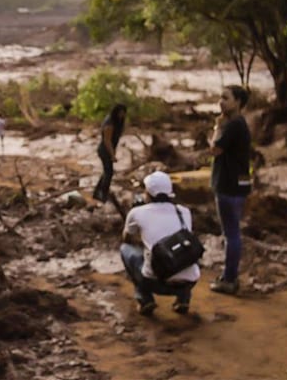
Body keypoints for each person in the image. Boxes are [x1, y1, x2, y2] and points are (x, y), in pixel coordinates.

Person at [120, 171, 200, 316]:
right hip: (189, 282)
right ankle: (183, 299)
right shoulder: (184, 212)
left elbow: (126, 238)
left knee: (125, 249)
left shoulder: (137, 212)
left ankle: (144, 297)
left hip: (155, 282)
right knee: (184, 251)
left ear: (148, 193)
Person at [208, 85, 252, 295]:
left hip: (227, 185)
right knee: (234, 232)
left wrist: (217, 126)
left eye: (225, 98)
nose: (221, 101)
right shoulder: (241, 124)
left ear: (238, 103)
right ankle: (230, 276)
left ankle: (229, 279)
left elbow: (215, 149)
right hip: (240, 184)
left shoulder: (232, 125)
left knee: (231, 234)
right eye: (220, 97)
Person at [93, 104, 127, 202]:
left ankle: (97, 192)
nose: (122, 115)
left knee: (107, 172)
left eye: (123, 113)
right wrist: (112, 155)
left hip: (109, 149)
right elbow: (107, 141)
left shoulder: (118, 122)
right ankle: (103, 194)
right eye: (120, 113)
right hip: (104, 150)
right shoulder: (110, 123)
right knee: (109, 172)